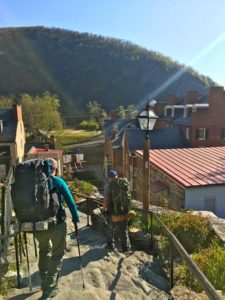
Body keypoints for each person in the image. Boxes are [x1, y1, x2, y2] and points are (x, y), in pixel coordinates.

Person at [35, 158, 79, 299]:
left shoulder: (35, 182)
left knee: (43, 250)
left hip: (39, 225)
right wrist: (75, 218)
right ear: (55, 169)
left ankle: (44, 281)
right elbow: (70, 201)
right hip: (57, 223)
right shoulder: (58, 182)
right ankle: (49, 290)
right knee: (57, 255)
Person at [102, 169, 131, 253]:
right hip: (124, 211)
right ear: (117, 176)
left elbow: (106, 200)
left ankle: (110, 245)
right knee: (123, 230)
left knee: (110, 228)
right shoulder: (124, 183)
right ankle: (126, 248)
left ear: (108, 177)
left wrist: (103, 209)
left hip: (114, 213)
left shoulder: (108, 186)